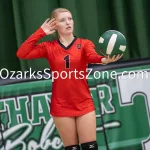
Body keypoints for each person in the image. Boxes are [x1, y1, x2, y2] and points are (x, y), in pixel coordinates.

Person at [16, 8, 122, 150]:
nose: (68, 22)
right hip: (61, 105)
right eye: (62, 20)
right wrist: (40, 32)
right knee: (72, 148)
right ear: (55, 25)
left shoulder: (84, 44)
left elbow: (91, 56)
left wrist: (103, 59)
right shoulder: (49, 47)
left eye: (70, 19)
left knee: (90, 147)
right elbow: (22, 53)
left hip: (83, 103)